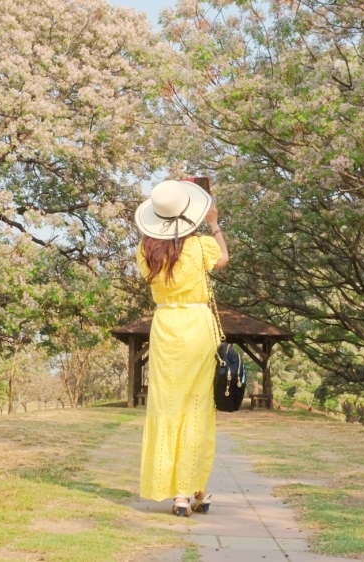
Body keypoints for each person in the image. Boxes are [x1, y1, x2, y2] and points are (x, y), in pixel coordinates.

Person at [134, 179, 229, 517]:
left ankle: (180, 493)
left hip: (165, 327)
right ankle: (190, 491)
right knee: (197, 408)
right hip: (197, 327)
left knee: (167, 405)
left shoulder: (146, 251)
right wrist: (215, 223)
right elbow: (222, 261)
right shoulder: (200, 245)